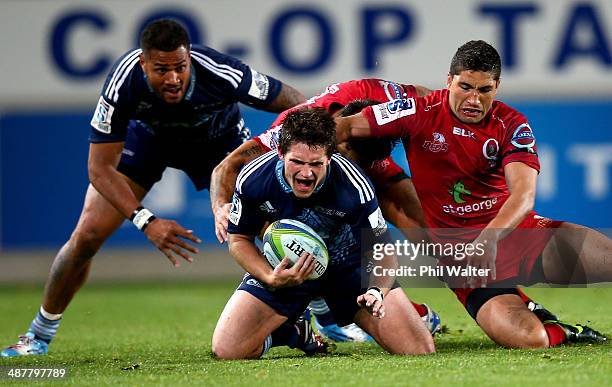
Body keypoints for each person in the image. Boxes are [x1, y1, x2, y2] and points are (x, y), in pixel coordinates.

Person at [0, 19, 306, 357]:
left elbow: (298, 104)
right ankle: (38, 336)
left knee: (276, 228)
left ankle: (323, 316)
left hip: (219, 144)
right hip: (149, 144)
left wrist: (284, 146)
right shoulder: (123, 81)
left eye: (180, 68)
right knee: (86, 235)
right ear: (143, 63)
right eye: (161, 69)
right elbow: (99, 169)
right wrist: (146, 220)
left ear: (190, 58)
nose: (173, 78)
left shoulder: (221, 71)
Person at [336, 40, 609, 348]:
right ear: (448, 80)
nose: (474, 100)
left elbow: (523, 195)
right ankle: (567, 332)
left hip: (522, 237)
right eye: (465, 86)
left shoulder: (512, 124)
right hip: (463, 265)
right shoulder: (415, 110)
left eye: (485, 90)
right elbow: (344, 129)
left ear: (497, 87)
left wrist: (488, 240)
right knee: (530, 339)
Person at [210, 80, 442, 342]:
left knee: (426, 223)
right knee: (280, 213)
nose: (359, 169)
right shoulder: (291, 134)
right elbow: (228, 166)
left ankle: (468, 287)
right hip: (298, 204)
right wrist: (221, 206)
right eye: (359, 162)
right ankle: (318, 310)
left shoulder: (376, 100)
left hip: (357, 171)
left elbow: (434, 100)